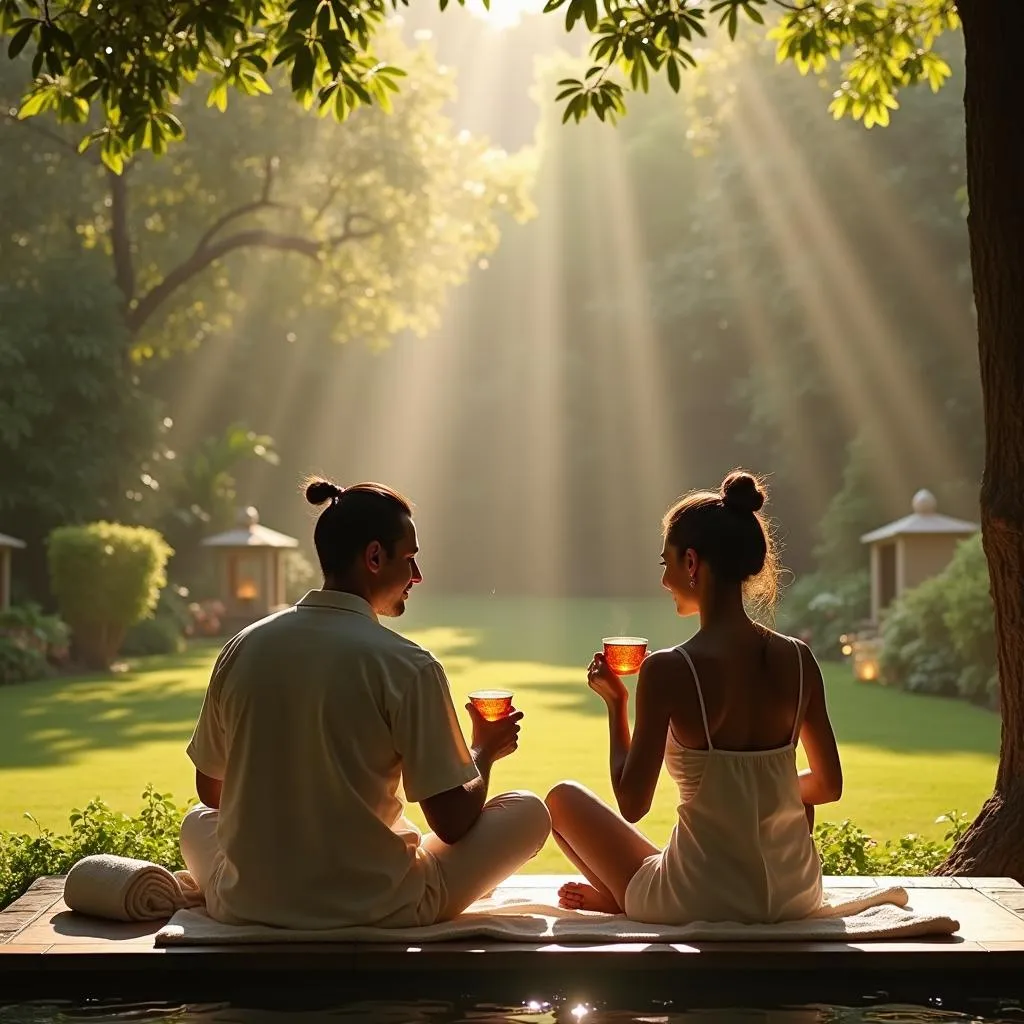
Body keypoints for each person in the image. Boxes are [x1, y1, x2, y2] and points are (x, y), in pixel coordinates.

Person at [180, 479, 550, 929]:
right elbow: (452, 823)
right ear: (374, 557)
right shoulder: (406, 665)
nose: (417, 576)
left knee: (197, 820)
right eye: (410, 558)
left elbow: (212, 792)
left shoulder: (243, 647)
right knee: (529, 812)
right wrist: (484, 750)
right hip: (380, 905)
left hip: (248, 902)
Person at [546, 470, 842, 923]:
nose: (664, 580)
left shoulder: (669, 669)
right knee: (788, 802)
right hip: (794, 897)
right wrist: (764, 793)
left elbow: (633, 803)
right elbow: (827, 786)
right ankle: (630, 893)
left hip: (698, 899)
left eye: (664, 563)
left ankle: (624, 899)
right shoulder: (799, 659)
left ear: (690, 562)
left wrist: (616, 706)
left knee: (561, 800)